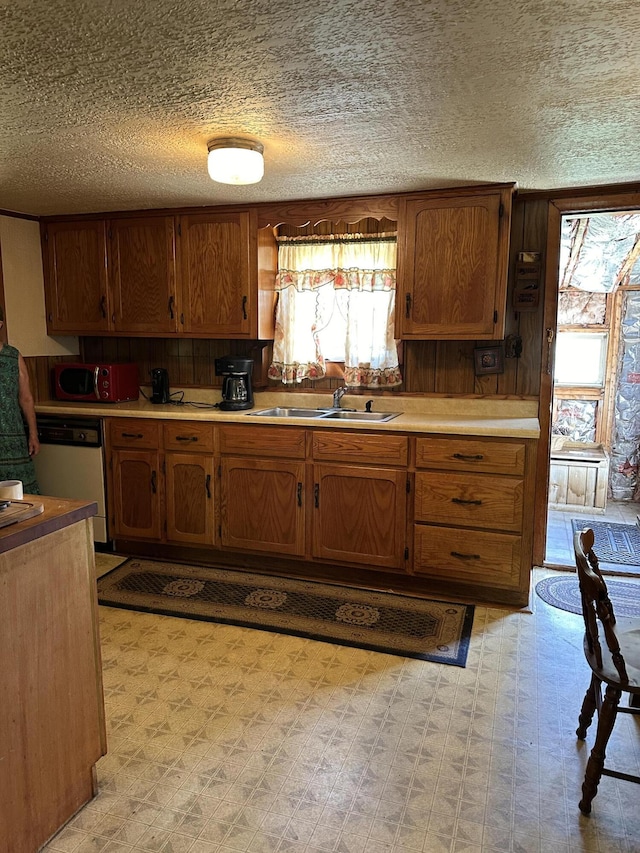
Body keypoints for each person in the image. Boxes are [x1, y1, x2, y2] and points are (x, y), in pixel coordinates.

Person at [0, 306, 40, 493]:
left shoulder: (13, 356)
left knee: (21, 493)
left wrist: (33, 433)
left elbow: (25, 398)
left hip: (13, 435)